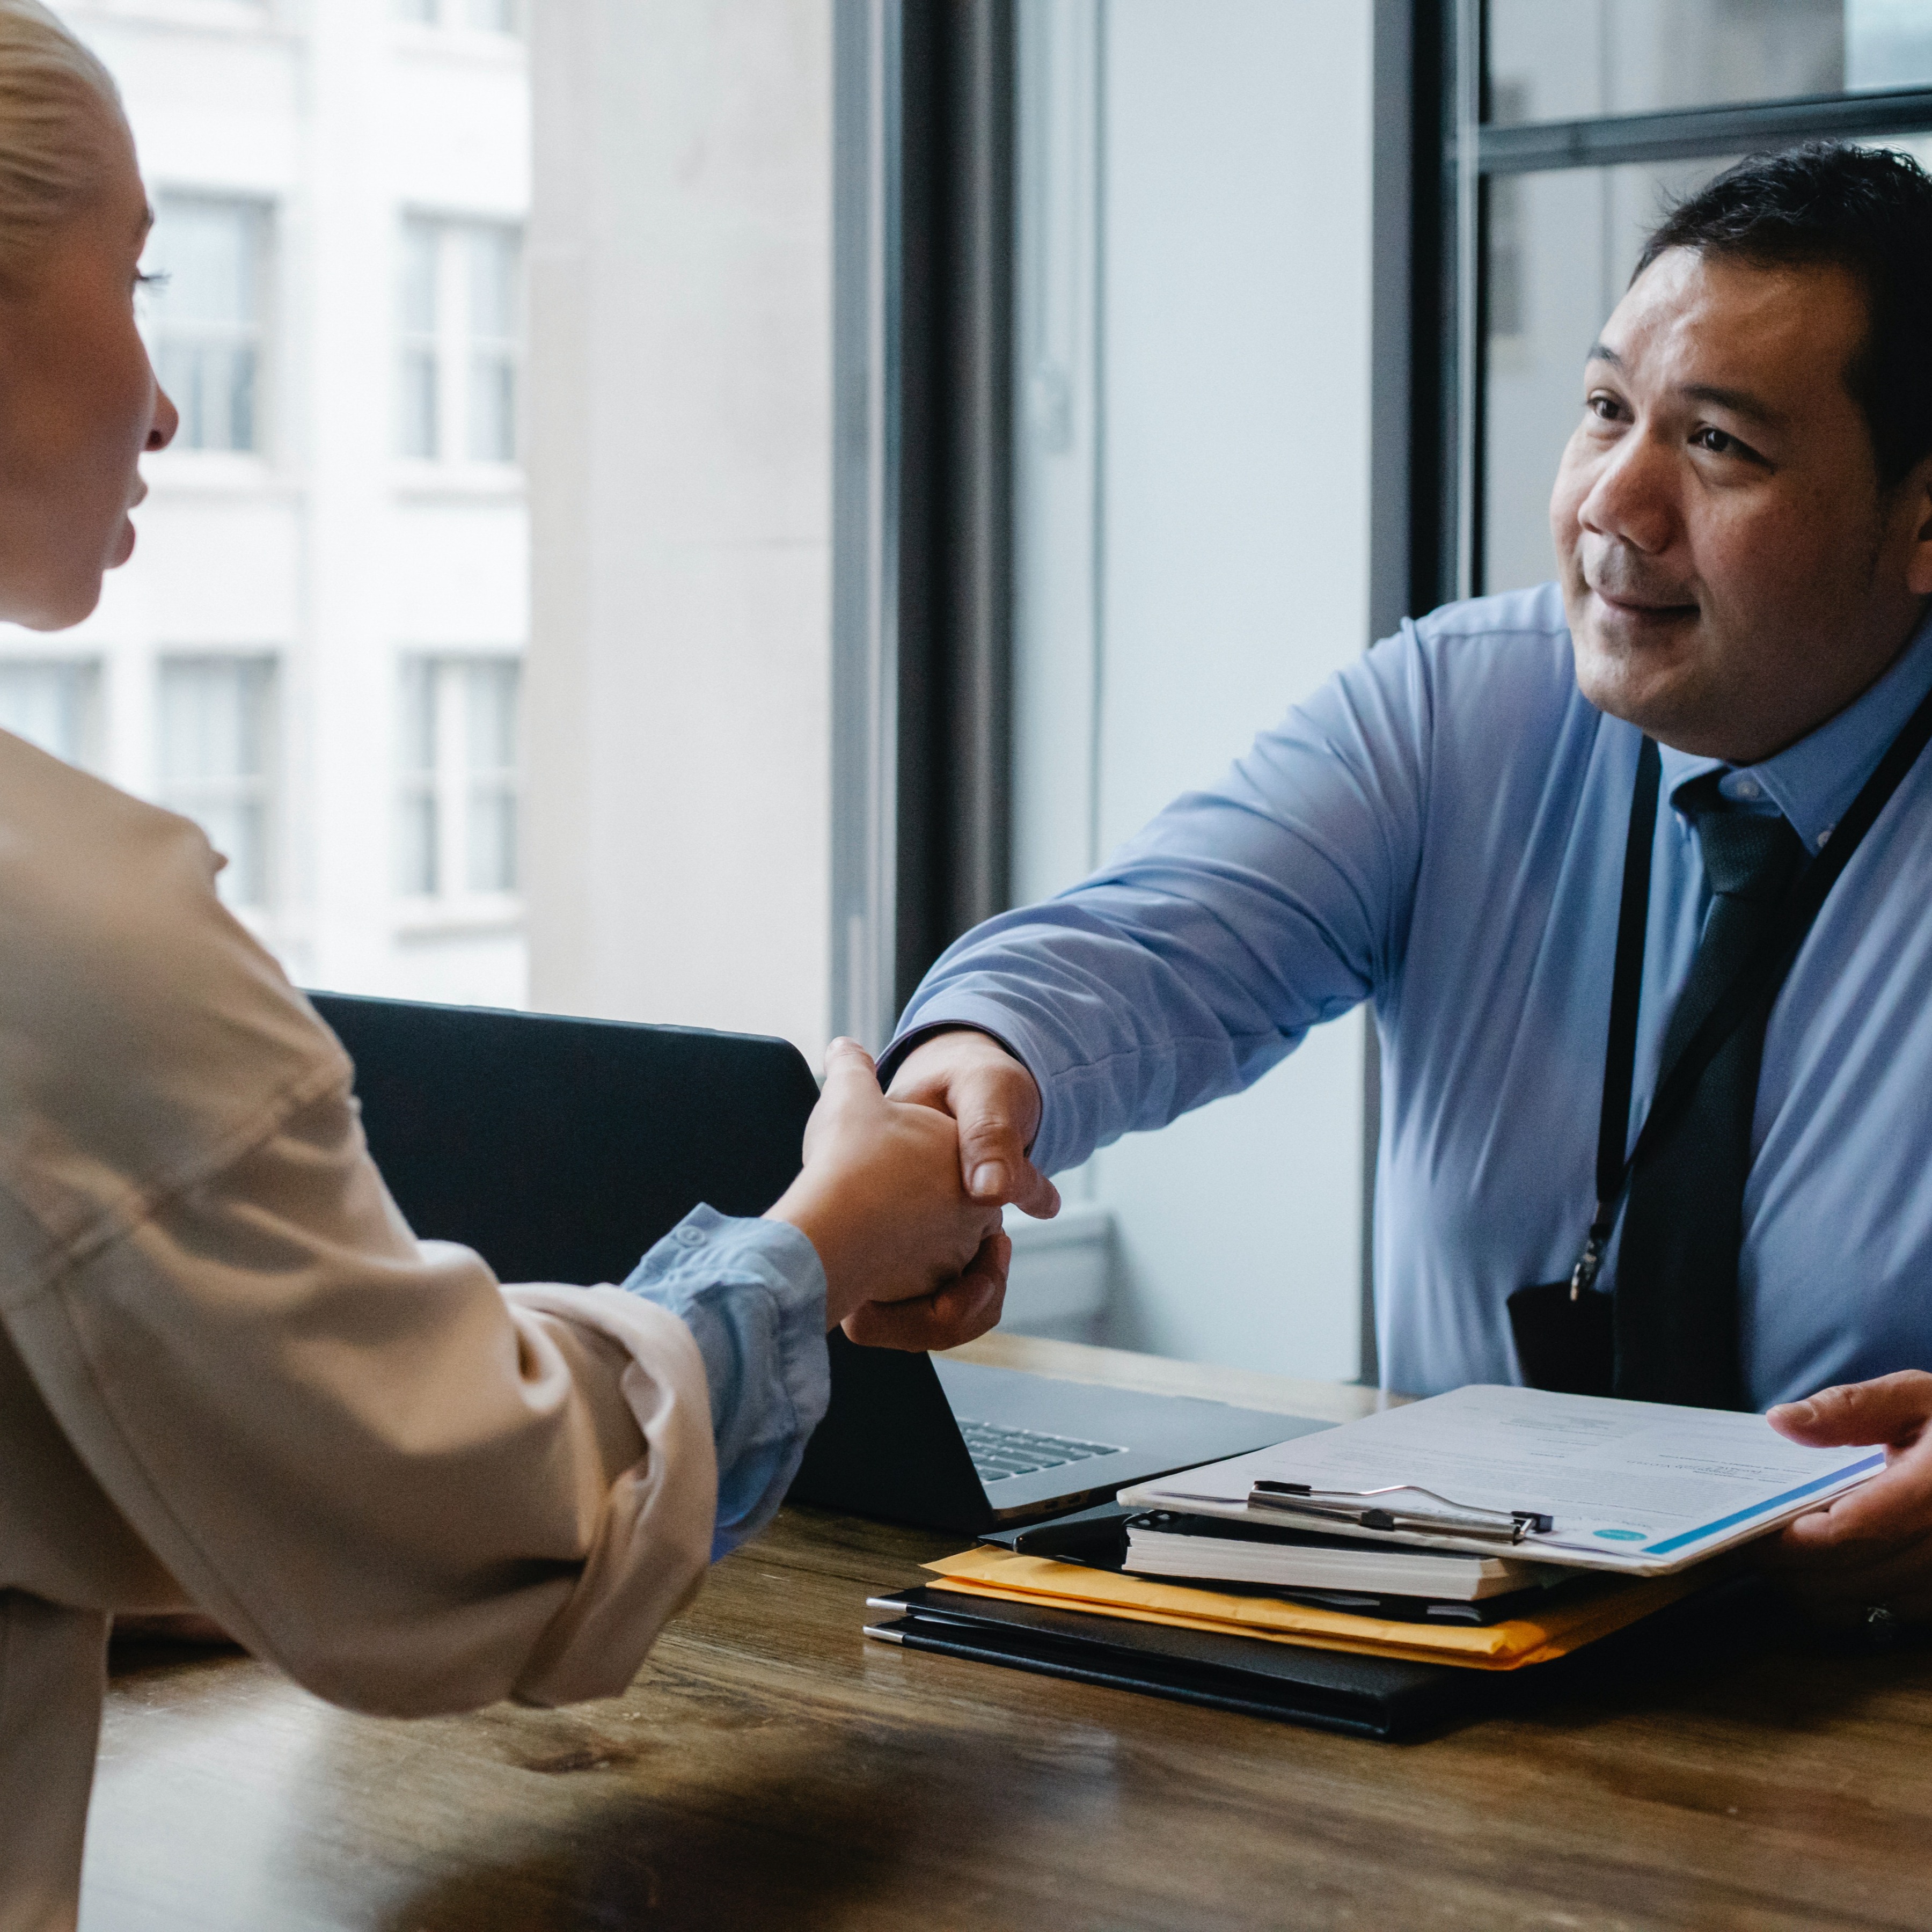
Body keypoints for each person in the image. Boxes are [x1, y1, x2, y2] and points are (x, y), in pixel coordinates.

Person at [0, 6, 1005, 1928]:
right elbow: (497, 1527)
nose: (163, 400)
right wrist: (814, 1249)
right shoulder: (70, 944)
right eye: (131, 281)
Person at [884, 141, 1932, 1631]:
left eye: (1721, 448)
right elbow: (1154, 948)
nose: (1613, 505)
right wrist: (980, 1068)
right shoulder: (1467, 708)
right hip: (1462, 1685)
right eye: (1605, 412)